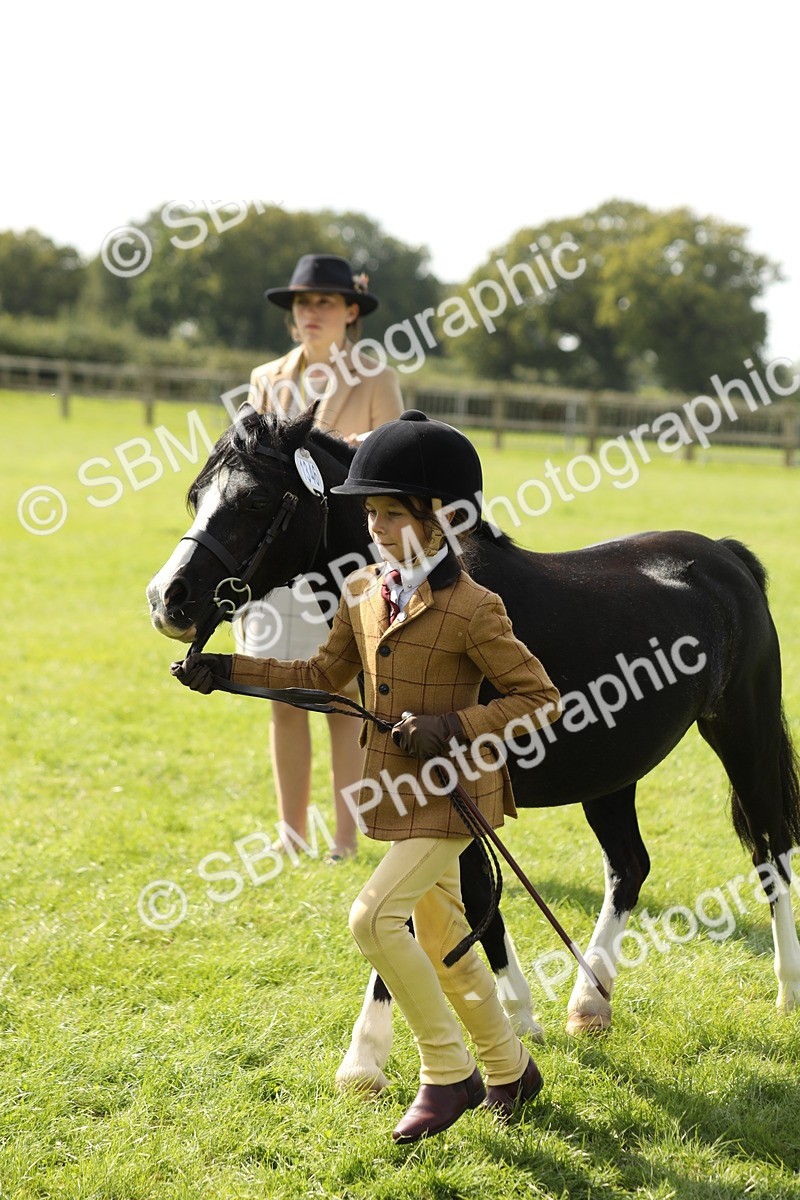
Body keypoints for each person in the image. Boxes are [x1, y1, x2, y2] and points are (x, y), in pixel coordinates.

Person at [173, 411, 562, 1143]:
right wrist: (225, 672)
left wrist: (451, 726)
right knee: (447, 945)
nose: (375, 525)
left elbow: (541, 700)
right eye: (368, 511)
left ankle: (447, 1072)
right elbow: (321, 676)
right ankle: (511, 1068)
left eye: (390, 512)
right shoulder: (362, 593)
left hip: (453, 798)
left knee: (373, 919)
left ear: (442, 518)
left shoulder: (476, 609)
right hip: (398, 796)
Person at [241, 254, 404, 860]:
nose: (310, 313)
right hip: (273, 560)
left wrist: (330, 448)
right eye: (302, 304)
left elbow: (390, 459)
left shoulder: (376, 378)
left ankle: (345, 840)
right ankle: (289, 837)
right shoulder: (266, 378)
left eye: (325, 303)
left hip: (343, 565)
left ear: (351, 312)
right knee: (282, 702)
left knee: (342, 706)